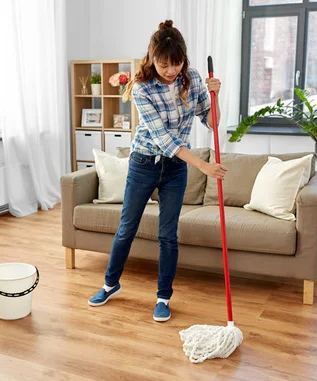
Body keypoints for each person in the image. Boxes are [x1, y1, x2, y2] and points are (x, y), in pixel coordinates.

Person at [87, 20, 227, 322]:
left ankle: (163, 297)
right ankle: (110, 284)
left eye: (176, 63)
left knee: (168, 235)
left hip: (175, 169)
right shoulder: (141, 88)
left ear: (184, 60)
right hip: (143, 164)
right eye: (164, 64)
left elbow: (212, 122)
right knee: (127, 228)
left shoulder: (193, 79)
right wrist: (204, 165)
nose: (171, 70)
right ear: (152, 59)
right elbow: (164, 139)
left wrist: (215, 96)